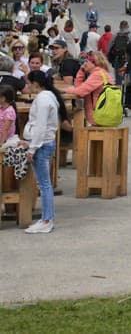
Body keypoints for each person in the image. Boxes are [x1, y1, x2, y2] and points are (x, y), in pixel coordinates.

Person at [18, 70, 60, 234]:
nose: (27, 86)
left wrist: (33, 148)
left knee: (44, 184)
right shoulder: (49, 96)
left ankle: (47, 219)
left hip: (41, 145)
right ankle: (46, 218)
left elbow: (41, 126)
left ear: (35, 84)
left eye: (29, 83)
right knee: (44, 184)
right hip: (42, 143)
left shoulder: (43, 100)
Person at [65, 51, 113, 124]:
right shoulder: (100, 72)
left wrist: (67, 90)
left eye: (86, 61)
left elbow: (80, 92)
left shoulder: (97, 75)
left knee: (72, 115)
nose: (84, 64)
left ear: (94, 63)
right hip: (103, 115)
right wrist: (82, 71)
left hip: (98, 117)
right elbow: (79, 87)